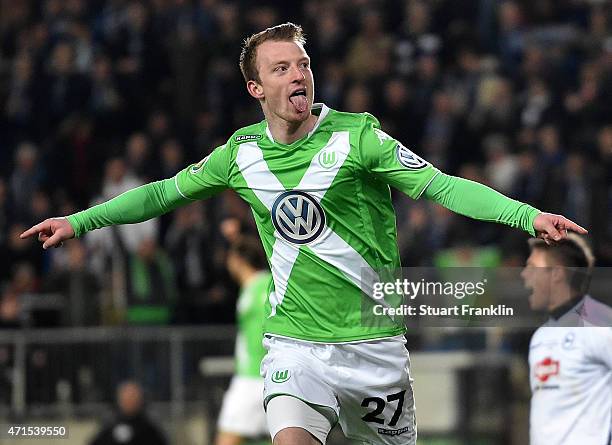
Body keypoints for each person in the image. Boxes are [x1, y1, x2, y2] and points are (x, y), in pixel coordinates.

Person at [21, 23, 587, 445]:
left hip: (374, 347)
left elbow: (441, 186)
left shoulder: (359, 139)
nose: (298, 74)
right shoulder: (240, 155)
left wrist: (526, 216)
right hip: (297, 344)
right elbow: (162, 193)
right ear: (255, 89)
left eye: (303, 64)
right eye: (282, 68)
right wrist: (79, 221)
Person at [521, 234, 612, 444]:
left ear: (556, 274)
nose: (525, 275)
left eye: (533, 267)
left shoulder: (599, 324)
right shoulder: (540, 336)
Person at [215, 236, 272, 445]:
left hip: (252, 378)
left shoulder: (263, 285)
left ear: (237, 259)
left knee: (227, 438)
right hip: (259, 377)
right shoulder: (251, 287)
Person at [89, 381, 167, 445]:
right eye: (126, 397)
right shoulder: (110, 424)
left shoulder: (149, 426)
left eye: (133, 397)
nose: (129, 401)